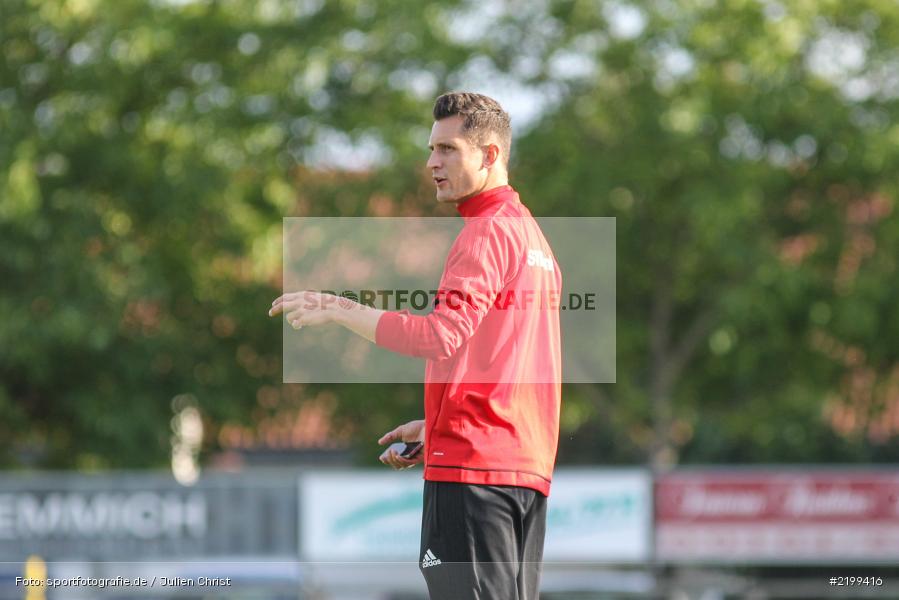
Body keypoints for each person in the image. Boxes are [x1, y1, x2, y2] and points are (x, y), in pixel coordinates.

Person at [269, 92, 562, 600]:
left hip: (475, 471)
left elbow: (439, 335)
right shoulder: (532, 236)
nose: (432, 163)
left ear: (490, 156)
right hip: (521, 468)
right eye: (432, 150)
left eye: (447, 149)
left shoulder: (486, 233)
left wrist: (341, 308)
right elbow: (507, 366)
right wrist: (439, 423)